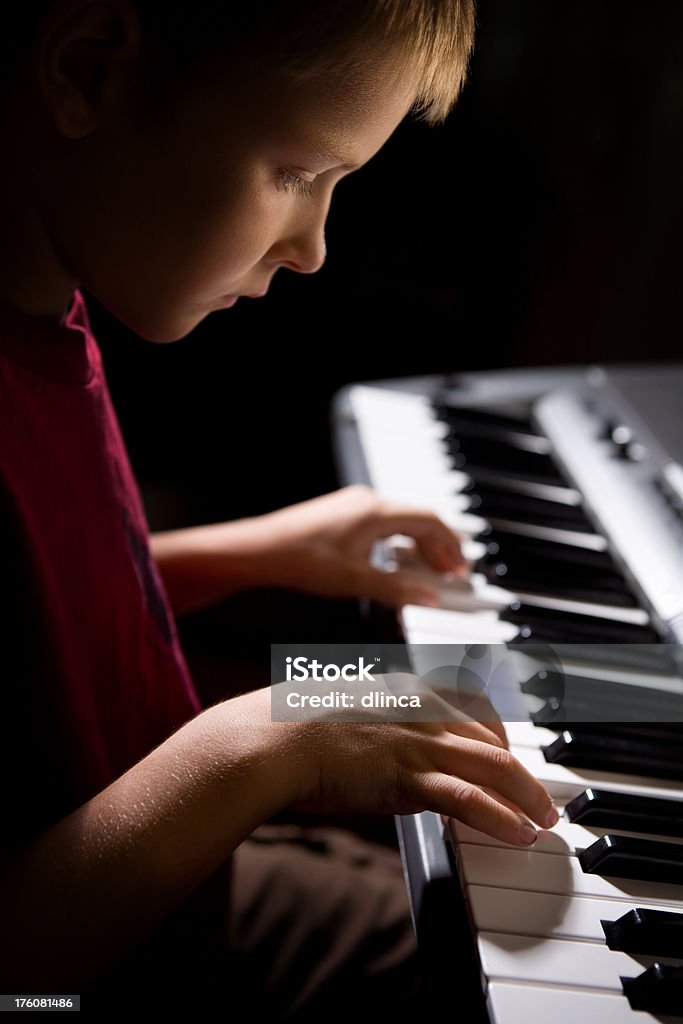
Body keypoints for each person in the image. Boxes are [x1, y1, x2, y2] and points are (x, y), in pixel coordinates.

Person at [0, 1, 559, 1016]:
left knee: (490, 732)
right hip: (122, 942)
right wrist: (263, 744)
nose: (312, 248)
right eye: (298, 175)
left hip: (193, 862)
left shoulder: (43, 298)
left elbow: (44, 621)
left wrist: (247, 552)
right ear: (85, 73)